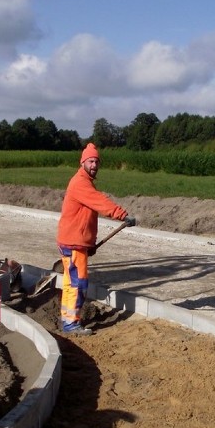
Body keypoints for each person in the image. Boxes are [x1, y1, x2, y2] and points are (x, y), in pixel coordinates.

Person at [56, 143, 135, 335]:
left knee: (70, 282)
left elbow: (84, 217)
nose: (94, 165)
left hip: (72, 240)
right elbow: (100, 202)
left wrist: (89, 244)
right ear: (82, 162)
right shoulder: (81, 183)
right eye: (90, 161)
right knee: (78, 283)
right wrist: (122, 214)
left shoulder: (82, 181)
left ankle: (66, 318)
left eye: (96, 162)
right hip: (74, 242)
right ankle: (71, 324)